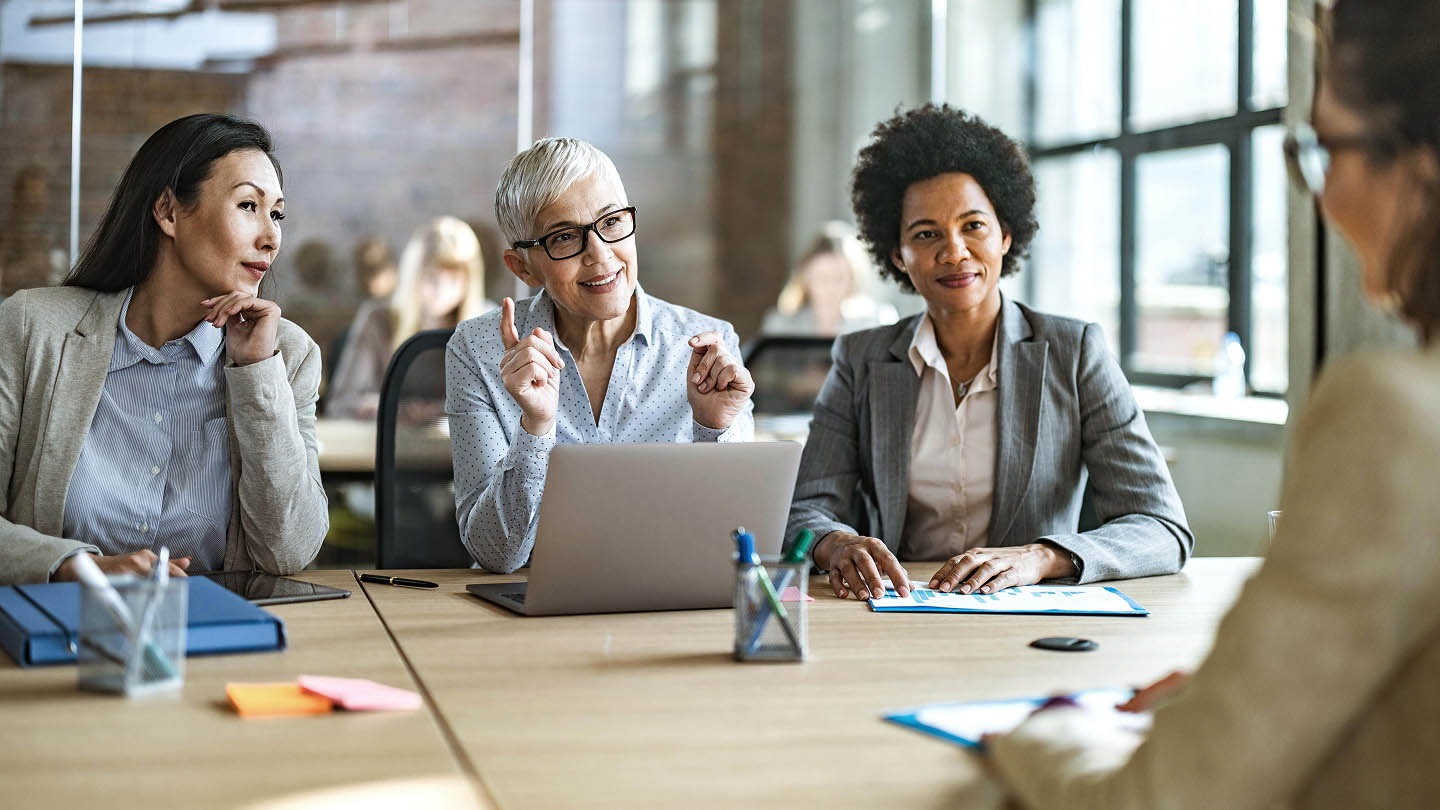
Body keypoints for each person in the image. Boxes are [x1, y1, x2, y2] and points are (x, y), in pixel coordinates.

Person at [985, 2, 1440, 807]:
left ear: (1416, 171)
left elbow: (1165, 798)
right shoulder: (865, 359)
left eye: (1322, 149)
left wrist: (1049, 724)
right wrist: (1239, 700)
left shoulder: (1396, 416)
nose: (1320, 192)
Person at [786, 105, 1191, 600]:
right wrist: (837, 543)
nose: (954, 251)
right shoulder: (860, 360)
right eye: (926, 234)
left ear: (1005, 235)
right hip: (904, 612)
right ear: (897, 255)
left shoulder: (1075, 352)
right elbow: (803, 509)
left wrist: (1040, 557)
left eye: (973, 226)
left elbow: (1161, 527)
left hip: (1031, 619)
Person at [0, 113, 328, 585]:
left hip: (224, 638)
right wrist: (76, 566)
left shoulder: (286, 356)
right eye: (248, 206)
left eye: (276, 213)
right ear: (168, 212)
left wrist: (256, 372)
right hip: (61, 630)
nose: (271, 236)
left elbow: (289, 551)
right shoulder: (35, 328)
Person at [446, 137, 755, 573]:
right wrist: (535, 427)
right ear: (522, 267)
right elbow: (497, 555)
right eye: (565, 237)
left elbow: (734, 543)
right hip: (526, 618)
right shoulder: (477, 350)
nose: (600, 255)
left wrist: (712, 428)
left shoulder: (708, 344)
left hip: (664, 600)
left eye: (611, 222)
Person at [326, 216, 494, 420]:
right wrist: (400, 411)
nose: (441, 289)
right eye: (431, 276)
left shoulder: (487, 321)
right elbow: (341, 403)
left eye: (454, 278)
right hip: (385, 446)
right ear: (413, 275)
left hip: (458, 449)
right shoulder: (377, 319)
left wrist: (434, 412)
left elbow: (497, 405)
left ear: (470, 280)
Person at [760, 221, 898, 336]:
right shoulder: (780, 327)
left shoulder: (875, 324)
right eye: (822, 278)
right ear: (806, 278)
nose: (830, 288)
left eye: (838, 279)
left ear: (853, 280)